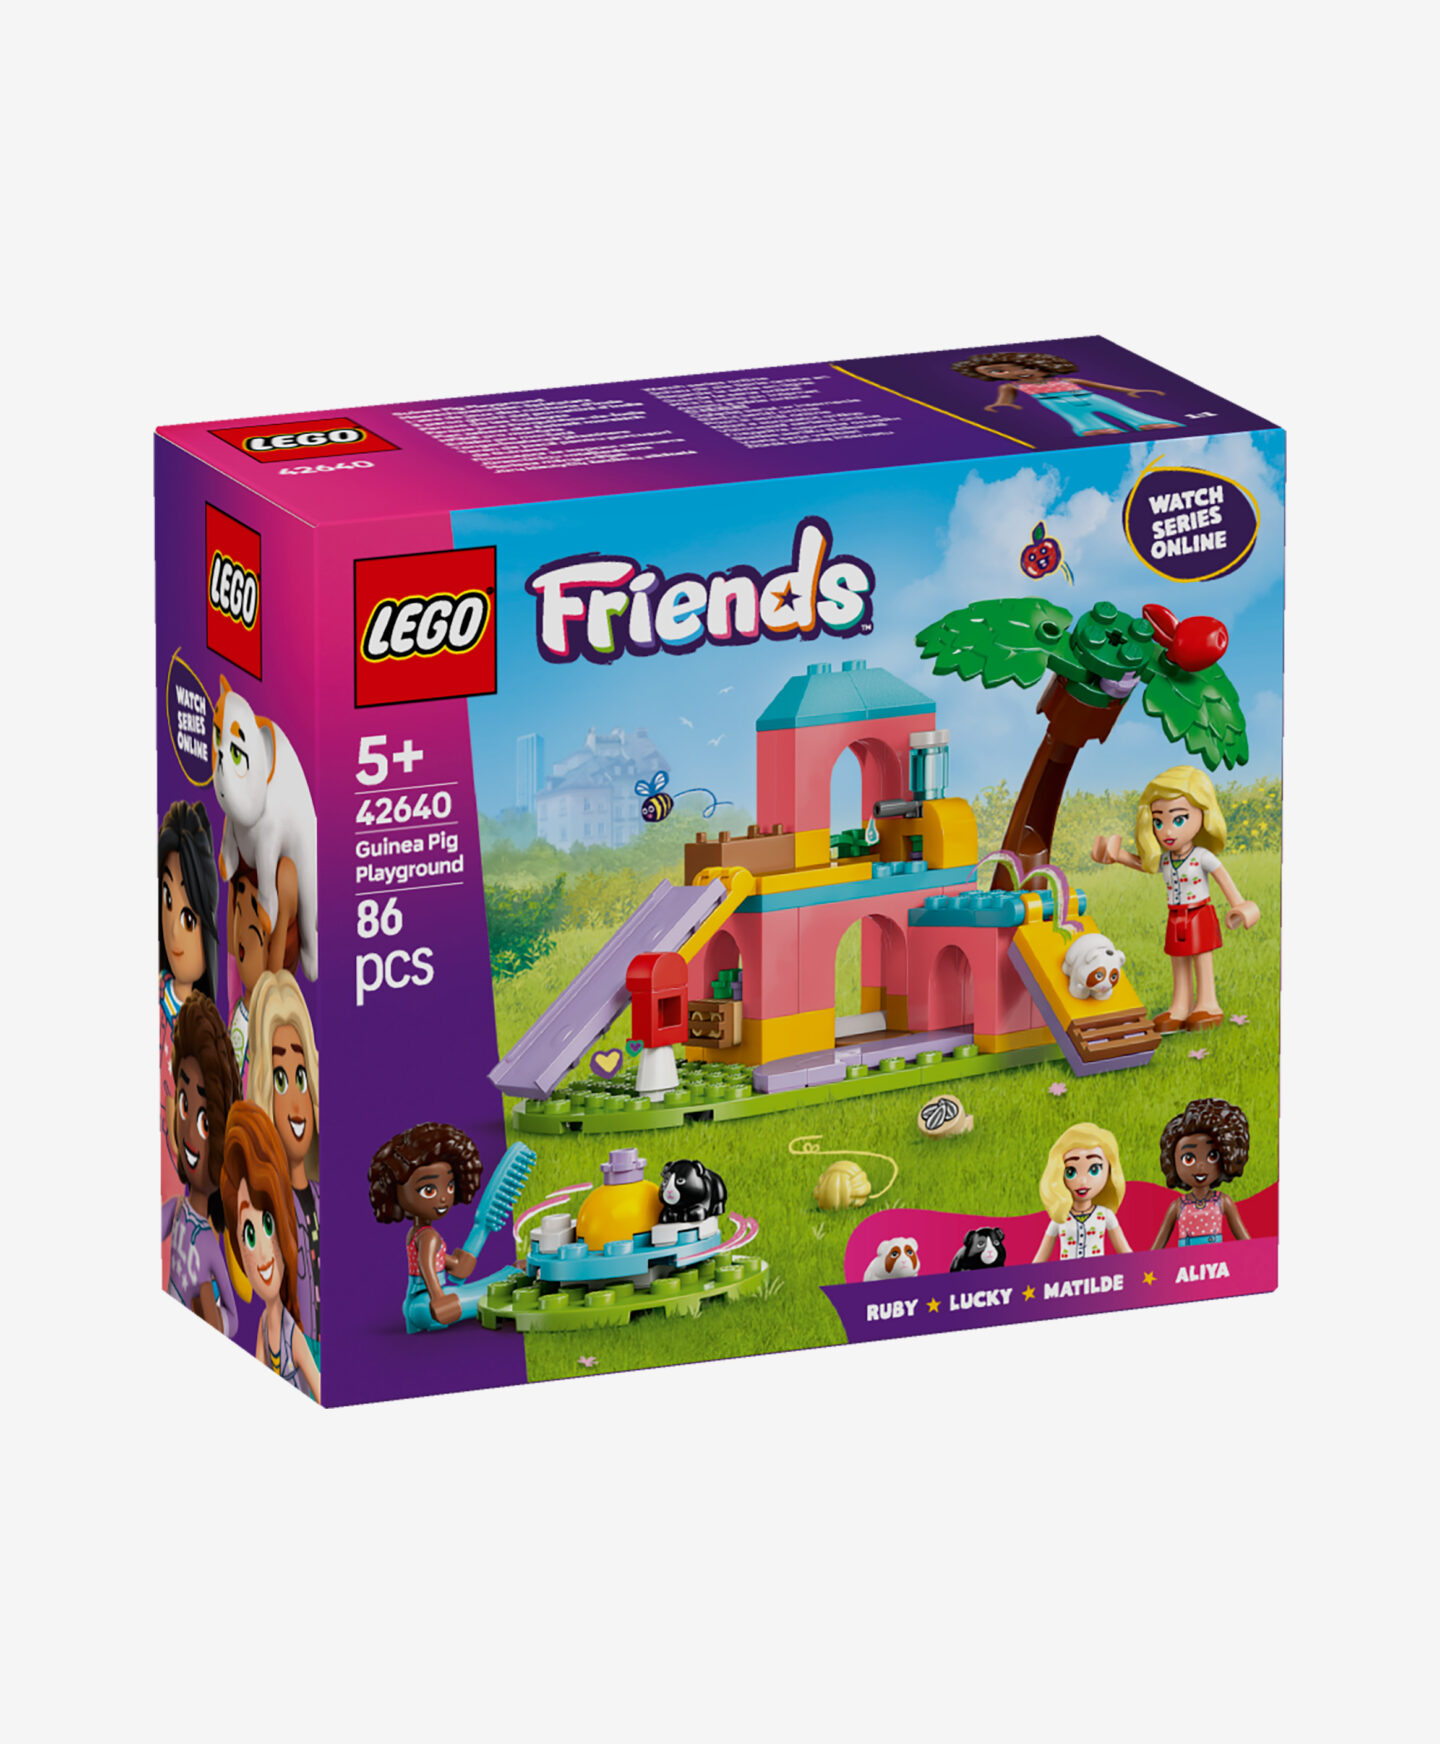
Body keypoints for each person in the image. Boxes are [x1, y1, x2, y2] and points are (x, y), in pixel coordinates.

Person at [1092, 765, 1260, 1031]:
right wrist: (1118, 855)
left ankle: (1208, 1004)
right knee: (1179, 960)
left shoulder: (1202, 856)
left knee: (1202, 959)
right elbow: (1145, 865)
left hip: (1199, 914)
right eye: (1158, 822)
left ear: (1203, 815)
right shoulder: (1167, 860)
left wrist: (1238, 905)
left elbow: (1224, 880)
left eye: (1178, 819)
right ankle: (1180, 1006)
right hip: (1176, 917)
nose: (1167, 831)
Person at [221, 1103, 321, 1401]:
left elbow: (320, 1389)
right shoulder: (264, 1325)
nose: (263, 1251)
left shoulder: (294, 1336)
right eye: (249, 1235)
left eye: (268, 1224)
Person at [160, 994, 241, 1337]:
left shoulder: (209, 1244)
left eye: (206, 1123)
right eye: (184, 1103)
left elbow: (233, 1318)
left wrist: (214, 1318)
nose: (192, 1135)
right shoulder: (174, 1210)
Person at [248, 971, 321, 1346]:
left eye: (301, 1078)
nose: (295, 1103)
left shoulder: (323, 1198)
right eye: (280, 1080)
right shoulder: (267, 1212)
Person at [1152, 1099, 1252, 1249]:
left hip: (1215, 1261)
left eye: (1212, 1156)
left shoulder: (1223, 1202)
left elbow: (1246, 1242)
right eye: (1189, 1159)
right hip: (1186, 1262)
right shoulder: (1177, 1206)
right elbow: (1156, 1249)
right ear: (1173, 1161)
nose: (1200, 1166)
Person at [1033, 1123, 1131, 1261]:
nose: (1083, 1181)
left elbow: (1125, 1252)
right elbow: (1039, 1260)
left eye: (1094, 1169)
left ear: (1109, 1171)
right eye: (1071, 1172)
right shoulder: (1060, 1219)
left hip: (1097, 1274)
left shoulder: (1105, 1215)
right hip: (1066, 1274)